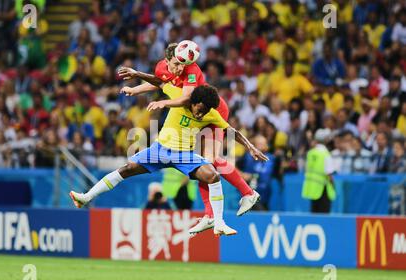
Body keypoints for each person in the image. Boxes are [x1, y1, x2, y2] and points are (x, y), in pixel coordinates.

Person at [70, 85, 269, 236]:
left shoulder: (211, 113)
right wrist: (135, 86)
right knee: (127, 168)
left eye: (206, 110)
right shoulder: (178, 96)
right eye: (200, 108)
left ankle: (218, 222)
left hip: (184, 155)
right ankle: (85, 197)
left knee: (213, 176)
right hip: (159, 150)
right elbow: (158, 81)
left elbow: (230, 130)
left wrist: (250, 147)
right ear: (193, 100)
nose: (202, 113)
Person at [118, 42, 260, 235]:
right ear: (167, 60)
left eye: (181, 64)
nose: (179, 68)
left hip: (212, 110)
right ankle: (210, 215)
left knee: (209, 160)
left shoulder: (191, 71)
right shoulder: (164, 68)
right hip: (196, 112)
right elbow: (160, 82)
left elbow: (185, 99)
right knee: (201, 165)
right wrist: (135, 90)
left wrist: (163, 102)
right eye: (176, 64)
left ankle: (248, 193)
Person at [302, 128, 336, 213]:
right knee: (323, 216)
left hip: (312, 189)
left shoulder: (310, 153)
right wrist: (333, 185)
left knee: (314, 214)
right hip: (323, 189)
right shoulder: (325, 154)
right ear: (326, 140)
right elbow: (329, 174)